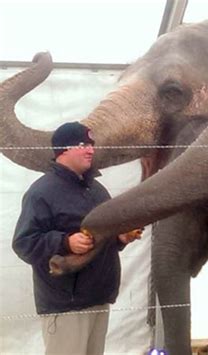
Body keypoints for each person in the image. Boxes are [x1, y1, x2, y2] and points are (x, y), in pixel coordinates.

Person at [12, 122, 141, 355]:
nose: (90, 149)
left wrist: (119, 237)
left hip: (98, 297)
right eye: (82, 144)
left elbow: (101, 238)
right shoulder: (41, 192)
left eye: (91, 144)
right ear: (63, 149)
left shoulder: (98, 190)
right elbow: (24, 243)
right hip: (65, 304)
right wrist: (64, 242)